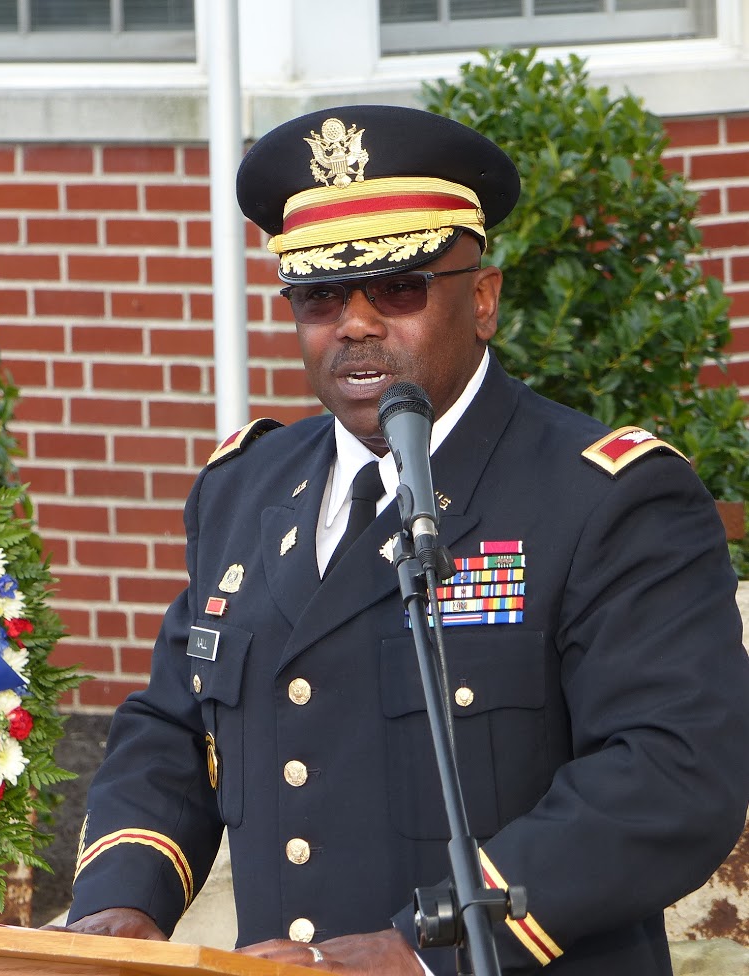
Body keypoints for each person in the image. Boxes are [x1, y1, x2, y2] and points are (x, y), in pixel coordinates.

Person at [58, 105, 749, 975]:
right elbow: (171, 726)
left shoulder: (605, 497)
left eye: (398, 289)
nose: (354, 324)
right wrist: (122, 903)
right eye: (318, 297)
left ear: (484, 298)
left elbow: (671, 774)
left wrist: (426, 951)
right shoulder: (244, 487)